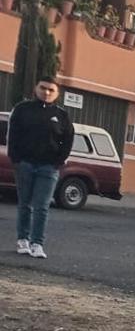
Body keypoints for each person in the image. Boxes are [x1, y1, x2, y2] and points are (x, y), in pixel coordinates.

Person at [8, 76, 74, 259]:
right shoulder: (22, 110)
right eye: (43, 88)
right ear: (35, 88)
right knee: (25, 205)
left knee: (42, 207)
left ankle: (37, 243)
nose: (46, 92)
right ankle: (23, 239)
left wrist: (58, 161)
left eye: (51, 90)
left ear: (57, 94)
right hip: (25, 165)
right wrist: (16, 159)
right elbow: (13, 135)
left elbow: (67, 140)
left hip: (48, 168)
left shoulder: (62, 115)